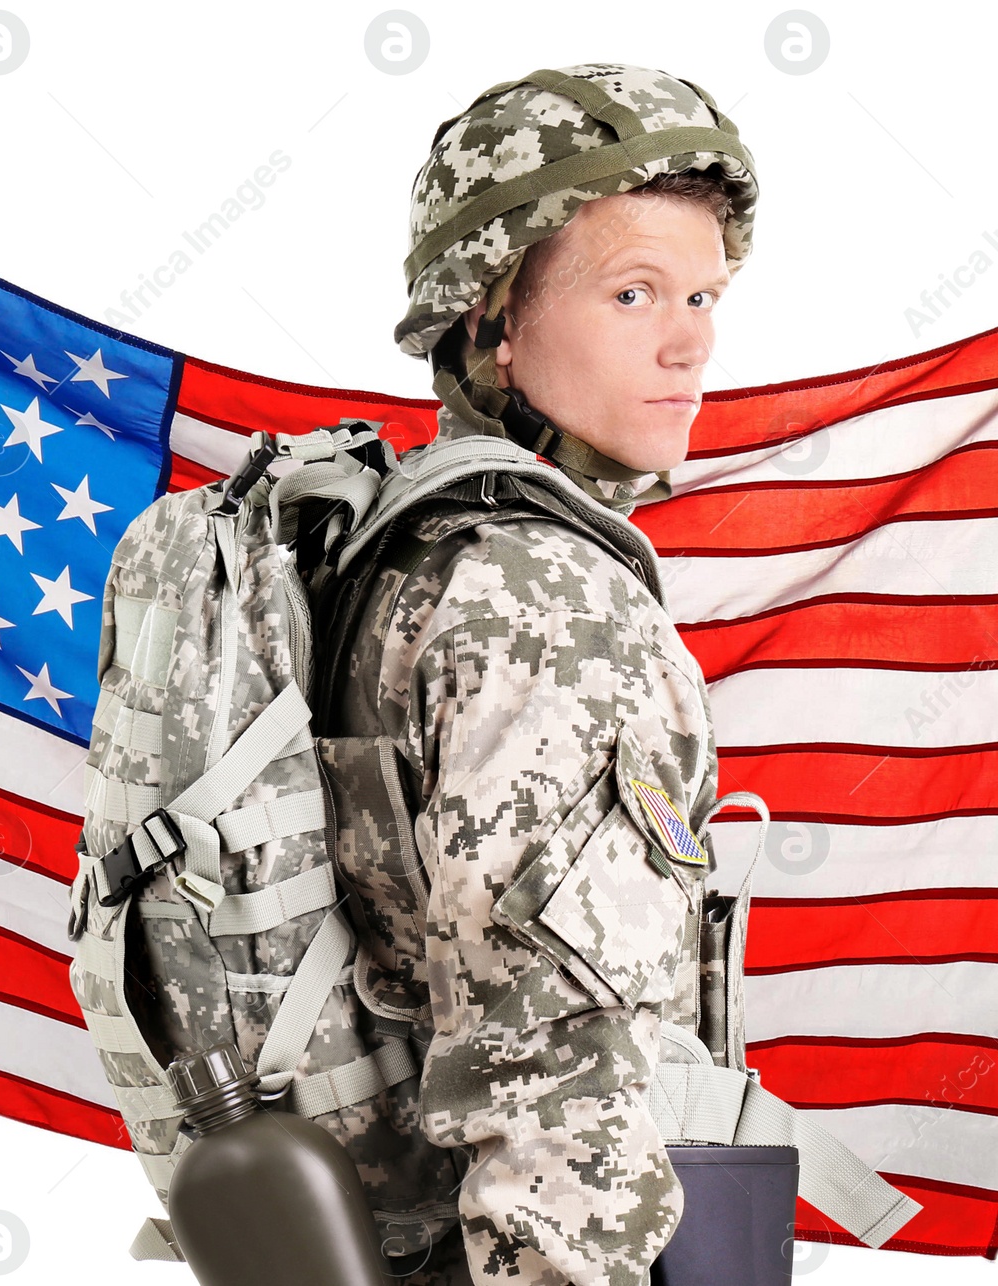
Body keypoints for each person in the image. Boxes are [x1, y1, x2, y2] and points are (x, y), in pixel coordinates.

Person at [317, 65, 759, 1285]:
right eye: (633, 293)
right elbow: (552, 1059)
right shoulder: (549, 599)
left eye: (703, 296)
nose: (690, 342)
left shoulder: (394, 554)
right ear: (495, 321)